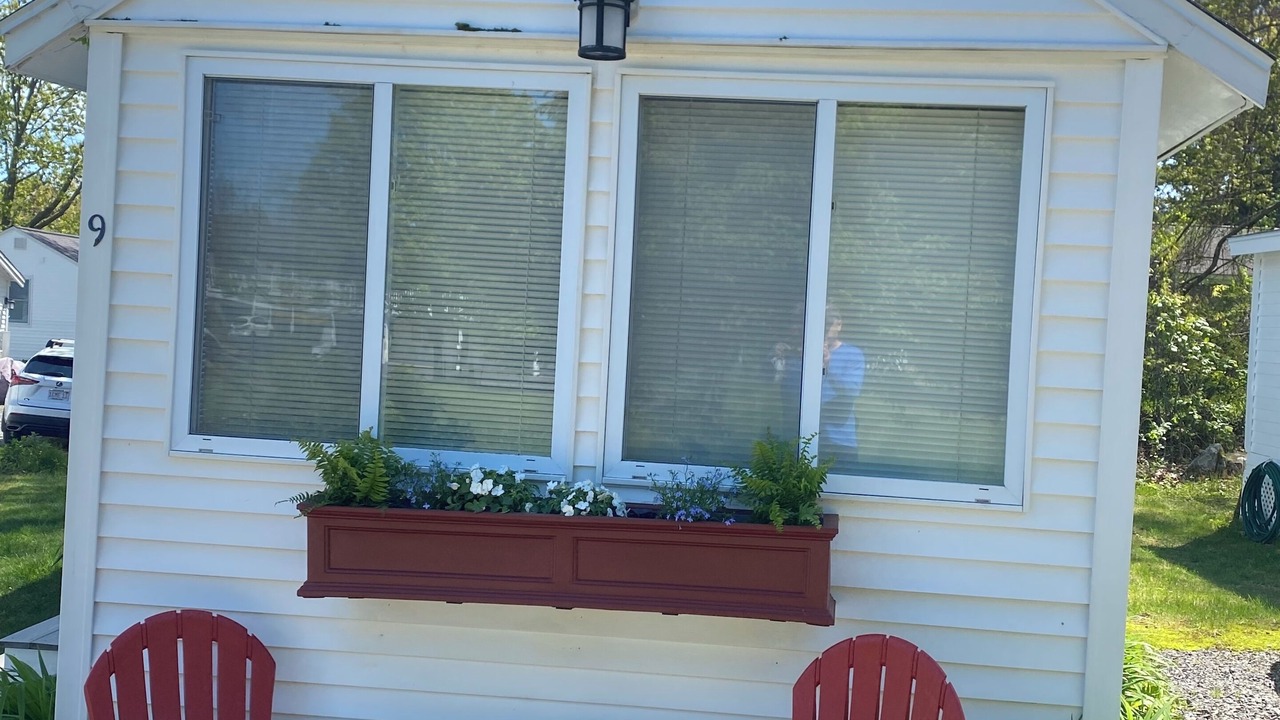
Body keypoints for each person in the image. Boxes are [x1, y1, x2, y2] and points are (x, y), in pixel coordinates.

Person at [820, 306, 864, 470]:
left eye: (826, 325)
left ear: (839, 325)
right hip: (809, 439)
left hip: (841, 440)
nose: (822, 331)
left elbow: (852, 391)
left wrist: (827, 366)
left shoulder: (853, 354)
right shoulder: (806, 353)